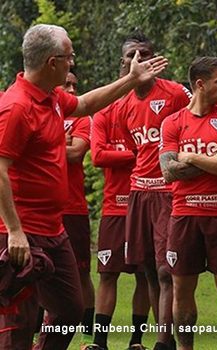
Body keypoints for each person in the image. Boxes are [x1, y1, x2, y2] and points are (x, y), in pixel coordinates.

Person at [0, 23, 167, 350]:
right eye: (69, 57)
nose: (72, 63)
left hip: (53, 228)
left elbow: (88, 104)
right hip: (21, 232)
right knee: (17, 320)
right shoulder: (16, 106)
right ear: (51, 62)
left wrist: (131, 80)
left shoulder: (52, 97)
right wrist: (15, 230)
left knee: (69, 309)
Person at [159, 56, 217, 350]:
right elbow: (169, 172)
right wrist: (216, 159)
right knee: (182, 290)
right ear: (200, 84)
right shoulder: (172, 122)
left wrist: (193, 157)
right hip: (183, 215)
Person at [119, 31, 191, 350]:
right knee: (148, 269)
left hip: (167, 192)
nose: (139, 60)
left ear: (154, 59)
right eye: (132, 55)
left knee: (166, 269)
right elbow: (134, 147)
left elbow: (197, 120)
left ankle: (164, 342)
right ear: (123, 63)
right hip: (138, 192)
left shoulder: (175, 93)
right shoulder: (122, 103)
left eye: (145, 54)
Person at [89, 80, 150, 350]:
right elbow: (98, 156)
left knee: (146, 275)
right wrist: (135, 153)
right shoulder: (103, 113)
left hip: (146, 201)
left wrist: (124, 154)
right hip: (114, 205)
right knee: (107, 274)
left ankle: (136, 341)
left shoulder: (148, 113)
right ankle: (99, 343)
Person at [61, 71, 95, 347]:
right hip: (40, 208)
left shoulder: (81, 118)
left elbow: (76, 154)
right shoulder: (35, 111)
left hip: (73, 205)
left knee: (81, 270)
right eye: (66, 84)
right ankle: (38, 323)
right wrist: (61, 142)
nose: (72, 89)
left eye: (75, 84)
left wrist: (41, 146)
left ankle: (87, 324)